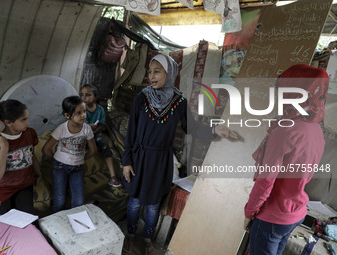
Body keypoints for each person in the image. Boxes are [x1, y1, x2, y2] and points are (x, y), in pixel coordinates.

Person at [122, 53, 238, 255]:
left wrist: (214, 131)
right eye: (150, 72)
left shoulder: (179, 102)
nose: (151, 76)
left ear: (170, 73)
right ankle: (130, 237)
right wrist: (126, 161)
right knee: (135, 201)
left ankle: (147, 240)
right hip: (140, 158)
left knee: (154, 204)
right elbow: (131, 132)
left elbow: (192, 128)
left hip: (161, 161)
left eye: (157, 72)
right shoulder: (141, 99)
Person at [243, 64, 329, 255]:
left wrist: (249, 212)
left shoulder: (285, 130)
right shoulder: (316, 130)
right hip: (295, 212)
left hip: (272, 216)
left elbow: (266, 180)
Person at [42, 96, 96, 213]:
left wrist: (80, 158)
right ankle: (56, 226)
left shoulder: (87, 129)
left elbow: (93, 151)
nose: (83, 115)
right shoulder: (61, 129)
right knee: (59, 200)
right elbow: (46, 149)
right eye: (78, 113)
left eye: (84, 111)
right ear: (67, 115)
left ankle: (76, 226)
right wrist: (56, 160)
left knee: (79, 202)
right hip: (60, 167)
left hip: (78, 168)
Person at [0, 99, 42, 215]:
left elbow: (31, 154)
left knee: (27, 221)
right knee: (5, 224)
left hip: (25, 186)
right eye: (23, 120)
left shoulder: (30, 133)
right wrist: (4, 148)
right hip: (2, 192)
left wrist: (38, 172)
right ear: (8, 122)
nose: (28, 122)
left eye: (27, 118)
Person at [80, 84, 121, 187]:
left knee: (105, 145)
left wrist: (95, 130)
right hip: (83, 134)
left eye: (88, 95)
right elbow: (79, 124)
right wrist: (89, 127)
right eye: (82, 95)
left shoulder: (100, 110)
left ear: (95, 97)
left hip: (95, 133)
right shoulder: (81, 109)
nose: (84, 98)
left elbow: (101, 125)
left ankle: (113, 177)